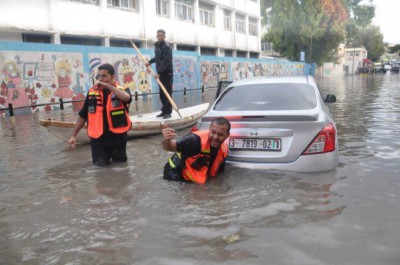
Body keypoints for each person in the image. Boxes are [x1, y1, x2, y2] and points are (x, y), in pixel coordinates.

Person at [68, 63, 132, 166]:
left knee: (121, 167)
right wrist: (73, 135)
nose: (100, 79)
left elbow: (126, 98)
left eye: (104, 76)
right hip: (98, 140)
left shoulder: (122, 90)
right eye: (99, 76)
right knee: (100, 171)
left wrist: (108, 86)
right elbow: (83, 115)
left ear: (113, 77)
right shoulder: (92, 92)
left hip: (117, 139)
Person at [162, 117, 231, 184]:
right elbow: (169, 147)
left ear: (227, 135)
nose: (215, 137)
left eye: (220, 134)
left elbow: (219, 173)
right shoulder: (194, 140)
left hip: (192, 177)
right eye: (213, 132)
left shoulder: (224, 150)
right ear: (209, 130)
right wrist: (167, 140)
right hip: (174, 172)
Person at [145, 29, 173, 119]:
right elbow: (157, 58)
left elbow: (167, 61)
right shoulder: (157, 46)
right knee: (161, 94)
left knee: (167, 93)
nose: (160, 37)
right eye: (158, 35)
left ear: (164, 37)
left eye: (162, 35)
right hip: (161, 74)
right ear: (156, 36)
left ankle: (168, 112)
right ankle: (164, 111)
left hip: (167, 74)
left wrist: (160, 73)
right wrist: (150, 62)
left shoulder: (167, 47)